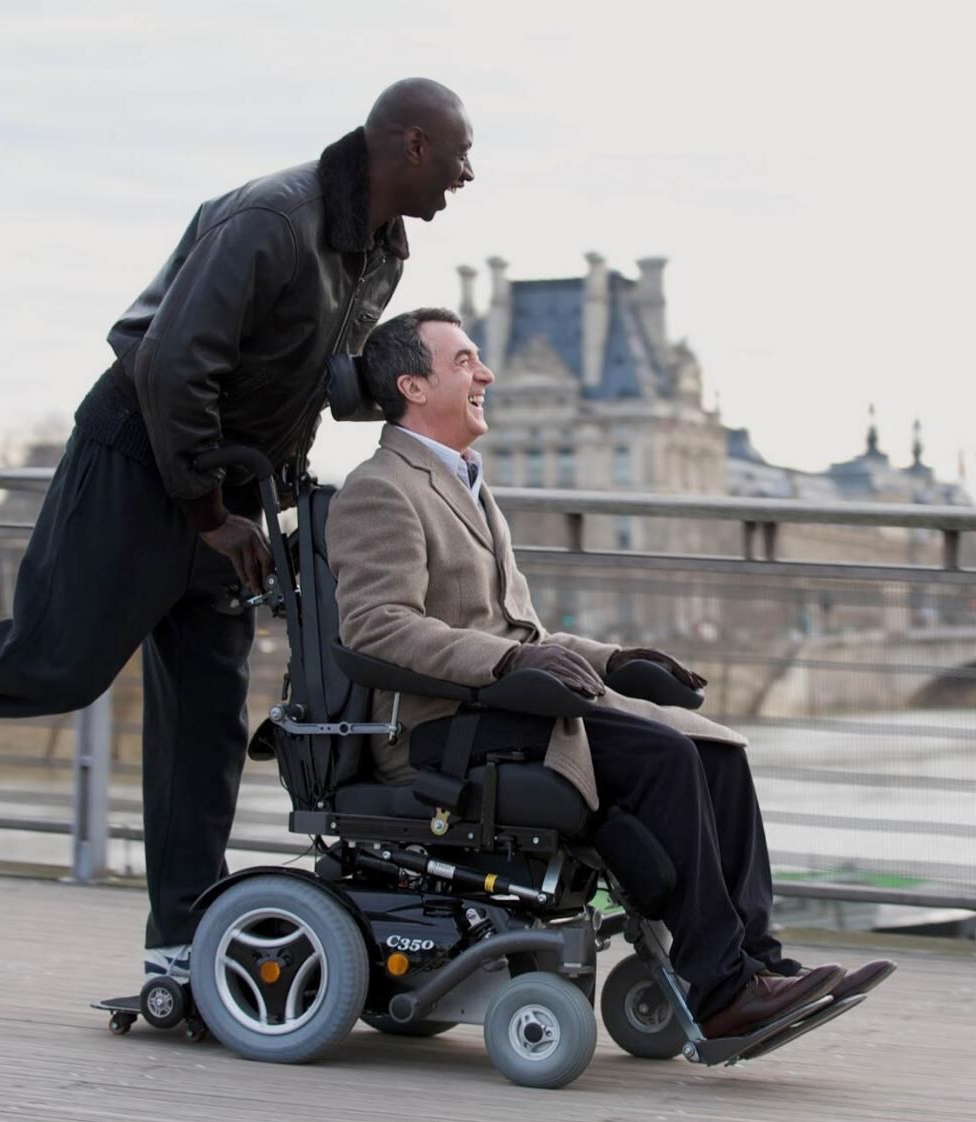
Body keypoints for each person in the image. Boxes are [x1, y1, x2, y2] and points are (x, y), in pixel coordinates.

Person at [0, 81, 476, 981]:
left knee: (206, 720)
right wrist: (206, 514)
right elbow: (166, 363)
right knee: (54, 663)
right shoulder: (271, 220)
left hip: (225, 494)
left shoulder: (376, 249)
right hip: (140, 468)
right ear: (415, 145)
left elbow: (293, 366)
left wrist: (355, 427)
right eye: (461, 154)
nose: (469, 175)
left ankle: (181, 942)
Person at [327, 308, 894, 1040]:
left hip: (504, 706)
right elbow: (376, 626)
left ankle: (757, 963)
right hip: (441, 730)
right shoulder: (382, 487)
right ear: (412, 385)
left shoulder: (464, 482)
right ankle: (720, 993)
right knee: (664, 758)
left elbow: (515, 627)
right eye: (465, 361)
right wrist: (511, 661)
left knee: (717, 749)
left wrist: (614, 661)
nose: (485, 374)